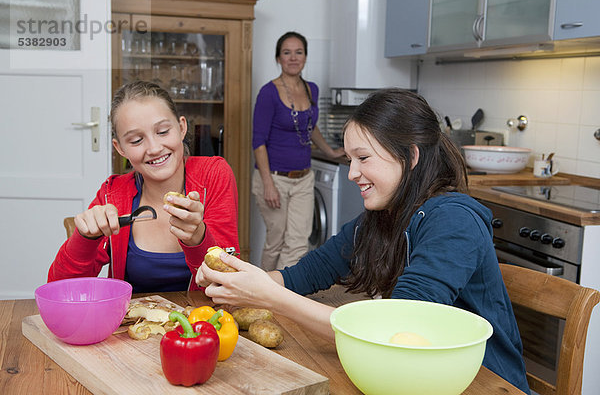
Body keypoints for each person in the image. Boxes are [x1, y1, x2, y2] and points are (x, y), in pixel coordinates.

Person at [198, 88, 530, 394]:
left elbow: (395, 327)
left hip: (483, 383)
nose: (352, 172)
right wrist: (240, 283)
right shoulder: (384, 217)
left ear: (410, 157)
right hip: (417, 380)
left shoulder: (455, 220)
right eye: (351, 159)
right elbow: (307, 273)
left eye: (364, 158)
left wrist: (272, 298)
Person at [48, 80, 239, 292]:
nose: (154, 148)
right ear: (120, 148)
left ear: (182, 127)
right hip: (135, 325)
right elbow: (60, 290)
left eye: (163, 131)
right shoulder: (113, 195)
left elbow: (229, 286)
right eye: (137, 140)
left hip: (202, 323)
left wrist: (198, 239)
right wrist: (85, 238)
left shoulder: (213, 175)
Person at [252, 31, 345, 270]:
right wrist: (268, 184)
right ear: (278, 58)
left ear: (305, 56)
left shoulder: (311, 89)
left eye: (299, 52)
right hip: (274, 178)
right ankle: (262, 295)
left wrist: (330, 151)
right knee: (276, 242)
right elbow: (258, 141)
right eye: (287, 52)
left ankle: (283, 297)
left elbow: (310, 127)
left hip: (304, 178)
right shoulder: (268, 92)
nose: (293, 58)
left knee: (298, 244)